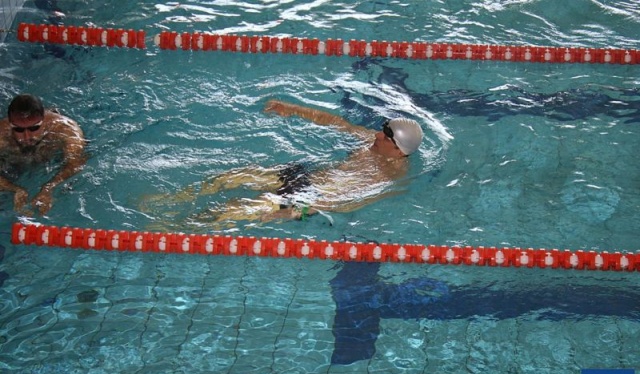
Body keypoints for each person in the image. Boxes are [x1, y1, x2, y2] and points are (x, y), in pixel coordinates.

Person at [143, 99, 423, 227]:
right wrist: (292, 109)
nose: (377, 135)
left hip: (307, 199)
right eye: (382, 130)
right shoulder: (370, 141)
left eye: (385, 136)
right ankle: (172, 199)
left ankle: (174, 228)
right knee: (234, 176)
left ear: (399, 151)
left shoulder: (388, 177)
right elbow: (336, 122)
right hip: (306, 176)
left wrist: (291, 213)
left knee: (232, 210)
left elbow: (343, 203)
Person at [0, 94, 87, 215]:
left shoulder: (66, 129)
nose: (27, 136)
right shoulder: (2, 134)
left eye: (34, 128)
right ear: (10, 124)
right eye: (18, 129)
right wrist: (14, 189)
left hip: (51, 158)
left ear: (44, 120)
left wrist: (49, 188)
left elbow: (76, 163)